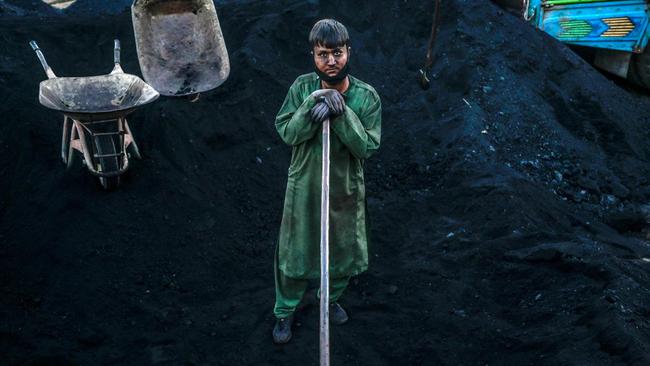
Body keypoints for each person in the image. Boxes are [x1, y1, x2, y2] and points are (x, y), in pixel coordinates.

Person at [272, 18, 382, 344]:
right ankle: (284, 311)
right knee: (294, 251)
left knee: (342, 250)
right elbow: (288, 133)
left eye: (337, 53)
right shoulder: (301, 89)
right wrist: (310, 106)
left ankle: (328, 298)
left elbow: (367, 146)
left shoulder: (366, 97)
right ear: (313, 56)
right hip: (304, 184)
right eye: (323, 54)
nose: (331, 61)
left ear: (349, 51)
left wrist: (343, 113)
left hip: (344, 186)